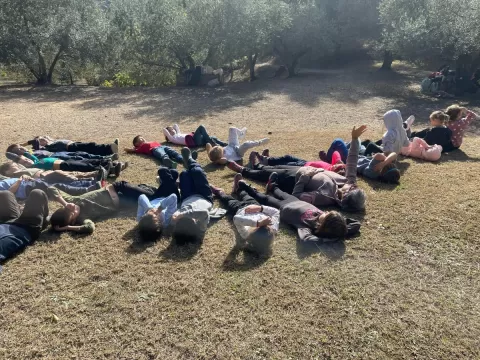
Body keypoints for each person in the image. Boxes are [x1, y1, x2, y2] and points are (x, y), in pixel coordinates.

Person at [231, 176, 360, 242]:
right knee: (279, 191)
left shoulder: (308, 227)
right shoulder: (329, 223)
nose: (325, 211)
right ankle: (273, 187)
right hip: (296, 201)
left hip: (282, 208)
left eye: (326, 215)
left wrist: (331, 239)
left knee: (263, 198)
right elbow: (356, 224)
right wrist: (342, 231)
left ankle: (244, 188)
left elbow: (306, 240)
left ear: (323, 225)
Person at [291, 125, 368, 212]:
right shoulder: (349, 182)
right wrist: (354, 139)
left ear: (345, 195)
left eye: (352, 188)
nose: (353, 185)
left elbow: (297, 196)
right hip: (304, 169)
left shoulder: (325, 197)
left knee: (276, 168)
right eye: (355, 187)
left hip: (293, 177)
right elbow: (352, 161)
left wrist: (304, 177)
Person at [48, 181, 161, 234]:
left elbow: (51, 188)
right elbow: (89, 227)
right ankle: (149, 187)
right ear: (73, 221)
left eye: (67, 209)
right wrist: (67, 227)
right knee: (150, 197)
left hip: (116, 187)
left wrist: (64, 204)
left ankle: (151, 187)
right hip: (122, 202)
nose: (72, 209)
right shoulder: (82, 217)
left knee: (152, 196)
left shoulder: (70, 201)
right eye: (72, 213)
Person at [171, 148, 225, 244]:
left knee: (184, 174)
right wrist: (183, 214)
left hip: (187, 196)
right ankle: (190, 160)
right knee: (197, 172)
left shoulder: (179, 221)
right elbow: (204, 212)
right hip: (204, 196)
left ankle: (188, 163)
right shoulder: (201, 227)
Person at [210, 182, 279, 254]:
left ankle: (219, 192)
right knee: (244, 194)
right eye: (268, 227)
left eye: (259, 227)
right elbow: (276, 212)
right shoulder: (273, 228)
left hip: (238, 208)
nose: (266, 225)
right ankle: (238, 188)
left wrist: (258, 223)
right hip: (254, 205)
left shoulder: (246, 234)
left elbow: (236, 219)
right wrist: (260, 208)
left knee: (227, 199)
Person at [0, 190, 49, 262]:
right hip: (27, 228)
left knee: (5, 194)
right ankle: (44, 221)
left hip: (6, 223)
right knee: (37, 193)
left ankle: (21, 211)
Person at [136, 168, 180, 242]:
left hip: (157, 196)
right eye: (155, 214)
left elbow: (141, 197)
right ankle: (175, 184)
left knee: (169, 174)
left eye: (147, 214)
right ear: (160, 222)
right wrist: (160, 208)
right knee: (167, 172)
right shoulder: (166, 220)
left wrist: (149, 208)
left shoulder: (140, 219)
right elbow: (173, 197)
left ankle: (171, 182)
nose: (153, 211)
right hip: (170, 196)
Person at [5, 151, 127, 177]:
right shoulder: (33, 166)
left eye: (26, 159)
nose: (27, 161)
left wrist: (20, 155)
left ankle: (113, 164)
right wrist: (15, 159)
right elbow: (18, 160)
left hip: (64, 161)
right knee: (85, 167)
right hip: (63, 166)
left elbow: (27, 154)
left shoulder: (35, 160)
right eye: (24, 162)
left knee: (88, 161)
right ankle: (112, 170)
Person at [0, 175, 101, 200]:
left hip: (29, 183)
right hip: (26, 189)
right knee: (58, 187)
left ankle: (89, 183)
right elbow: (8, 194)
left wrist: (25, 177)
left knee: (58, 182)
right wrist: (19, 180)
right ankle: (87, 189)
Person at [251, 149, 346, 175]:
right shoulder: (335, 166)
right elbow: (335, 153)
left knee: (283, 165)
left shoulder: (328, 173)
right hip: (305, 162)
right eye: (336, 166)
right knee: (287, 157)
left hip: (302, 167)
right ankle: (268, 160)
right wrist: (338, 161)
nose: (334, 166)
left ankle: (263, 162)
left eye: (336, 168)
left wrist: (337, 166)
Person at [124, 135, 195, 169]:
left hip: (163, 146)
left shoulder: (148, 142)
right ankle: (170, 163)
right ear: (136, 144)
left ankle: (184, 159)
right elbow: (130, 150)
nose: (142, 139)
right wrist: (130, 149)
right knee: (163, 155)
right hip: (155, 149)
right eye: (140, 139)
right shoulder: (140, 147)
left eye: (142, 137)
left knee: (174, 153)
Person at [0, 161, 107, 184]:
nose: (17, 166)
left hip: (44, 173)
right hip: (41, 178)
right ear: (7, 171)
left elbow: (18, 160)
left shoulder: (21, 168)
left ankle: (96, 173)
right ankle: (88, 179)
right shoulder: (12, 176)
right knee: (59, 173)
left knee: (70, 173)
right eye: (13, 166)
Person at [7, 143, 118, 161]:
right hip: (54, 159)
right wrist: (25, 154)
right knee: (79, 159)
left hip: (56, 153)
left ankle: (106, 156)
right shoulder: (26, 158)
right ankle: (105, 159)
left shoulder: (33, 149)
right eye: (19, 151)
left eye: (21, 147)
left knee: (81, 154)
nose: (23, 149)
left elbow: (36, 143)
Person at [22, 136, 118, 156]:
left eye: (44, 137)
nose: (44, 139)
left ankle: (108, 151)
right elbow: (34, 142)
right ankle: (109, 148)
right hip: (70, 147)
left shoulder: (51, 141)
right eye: (41, 140)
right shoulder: (45, 148)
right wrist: (22, 145)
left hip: (72, 144)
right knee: (91, 146)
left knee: (90, 149)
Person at [163, 124, 227, 147]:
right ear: (168, 134)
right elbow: (164, 130)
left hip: (197, 140)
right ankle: (210, 141)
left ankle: (223, 144)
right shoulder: (172, 139)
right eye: (170, 130)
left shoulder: (178, 134)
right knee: (201, 127)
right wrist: (167, 130)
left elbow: (175, 125)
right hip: (194, 141)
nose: (173, 130)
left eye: (172, 129)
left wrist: (172, 127)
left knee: (213, 137)